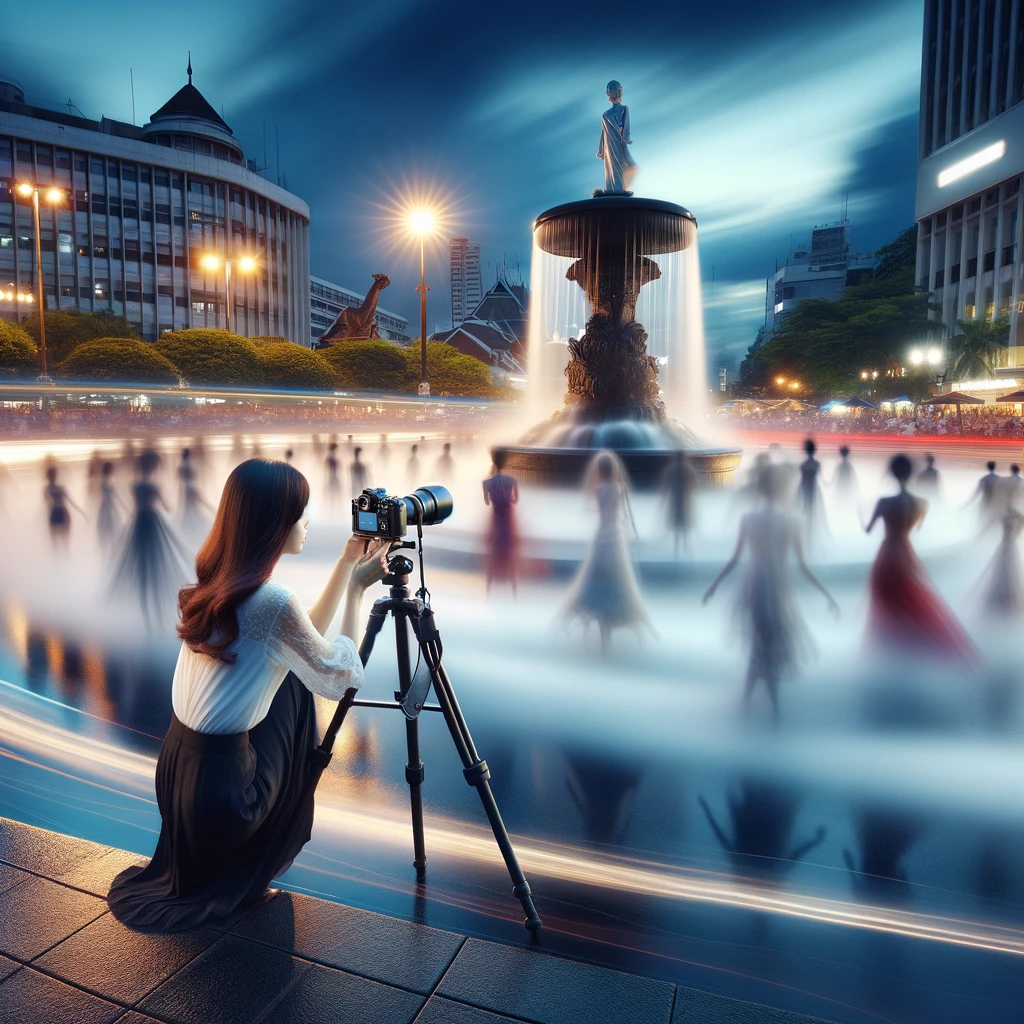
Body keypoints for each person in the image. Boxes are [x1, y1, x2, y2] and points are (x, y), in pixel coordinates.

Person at [107, 459, 392, 932]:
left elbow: (305, 645)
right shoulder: (272, 601)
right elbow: (338, 676)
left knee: (293, 673)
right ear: (274, 523)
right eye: (301, 513)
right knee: (303, 691)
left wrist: (346, 564)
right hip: (226, 799)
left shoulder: (220, 580)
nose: (308, 522)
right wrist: (360, 590)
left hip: (180, 776)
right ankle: (261, 854)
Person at [703, 462, 838, 720]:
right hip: (776, 586)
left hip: (753, 585)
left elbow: (734, 560)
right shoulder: (791, 521)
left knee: (760, 643)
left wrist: (714, 585)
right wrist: (826, 594)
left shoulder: (749, 519)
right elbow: (803, 566)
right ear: (782, 490)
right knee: (769, 644)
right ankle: (771, 711)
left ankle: (751, 706)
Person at [865, 454, 974, 661]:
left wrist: (861, 517)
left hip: (887, 554)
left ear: (892, 473)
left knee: (887, 602)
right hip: (908, 552)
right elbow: (918, 527)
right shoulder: (921, 503)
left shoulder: (883, 502)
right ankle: (918, 645)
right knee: (912, 596)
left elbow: (869, 530)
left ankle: (890, 651)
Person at [562, 450, 651, 652]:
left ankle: (602, 633)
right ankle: (614, 620)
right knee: (618, 576)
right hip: (616, 534)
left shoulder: (599, 488)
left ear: (600, 471)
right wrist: (635, 533)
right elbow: (627, 514)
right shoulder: (620, 488)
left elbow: (596, 508)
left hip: (602, 534)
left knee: (598, 574)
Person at [109, 450, 192, 627]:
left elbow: (135, 507)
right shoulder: (153, 486)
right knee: (157, 559)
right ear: (152, 467)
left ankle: (144, 607)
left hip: (139, 523)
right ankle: (158, 606)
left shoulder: (135, 485)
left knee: (141, 562)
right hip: (152, 522)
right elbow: (167, 507)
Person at [482, 451, 520, 593]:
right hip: (508, 517)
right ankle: (512, 586)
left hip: (496, 516)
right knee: (509, 548)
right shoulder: (512, 480)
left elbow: (486, 502)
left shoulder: (487, 482)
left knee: (495, 548)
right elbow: (515, 500)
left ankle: (490, 587)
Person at [595, 80, 636, 196]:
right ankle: (611, 189)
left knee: (625, 164)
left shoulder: (624, 109)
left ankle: (620, 188)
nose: (617, 93)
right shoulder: (605, 114)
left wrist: (626, 139)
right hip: (608, 144)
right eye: (613, 91)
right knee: (610, 166)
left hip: (619, 141)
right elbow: (604, 133)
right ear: (609, 93)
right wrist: (601, 150)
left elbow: (626, 126)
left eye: (618, 91)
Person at [660, 449, 695, 557]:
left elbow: (666, 486)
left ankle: (677, 551)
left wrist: (663, 500)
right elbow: (693, 485)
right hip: (685, 501)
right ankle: (686, 550)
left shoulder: (671, 469)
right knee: (684, 527)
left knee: (677, 527)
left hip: (675, 501)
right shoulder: (688, 469)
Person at [796, 437, 828, 549]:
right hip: (814, 491)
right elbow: (822, 480)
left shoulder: (803, 464)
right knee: (811, 514)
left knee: (805, 513)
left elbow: (801, 482)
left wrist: (797, 496)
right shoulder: (817, 464)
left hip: (806, 490)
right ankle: (810, 539)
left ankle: (807, 539)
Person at [44, 465, 85, 549]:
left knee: (62, 541)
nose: (52, 477)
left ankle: (62, 557)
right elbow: (48, 501)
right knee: (58, 541)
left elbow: (70, 501)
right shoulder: (53, 488)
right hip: (57, 512)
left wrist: (81, 512)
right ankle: (60, 558)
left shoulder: (56, 488)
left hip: (59, 512)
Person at [97, 461, 127, 552]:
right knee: (111, 529)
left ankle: (112, 549)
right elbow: (111, 496)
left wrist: (123, 506)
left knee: (111, 529)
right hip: (109, 508)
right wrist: (123, 506)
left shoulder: (109, 481)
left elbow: (114, 495)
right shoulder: (106, 482)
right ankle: (111, 549)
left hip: (109, 508)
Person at [965, 461, 1001, 532]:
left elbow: (976, 493)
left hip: (984, 502)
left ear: (987, 467)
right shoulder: (999, 479)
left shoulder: (983, 479)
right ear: (995, 467)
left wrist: (966, 505)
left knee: (982, 521)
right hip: (995, 504)